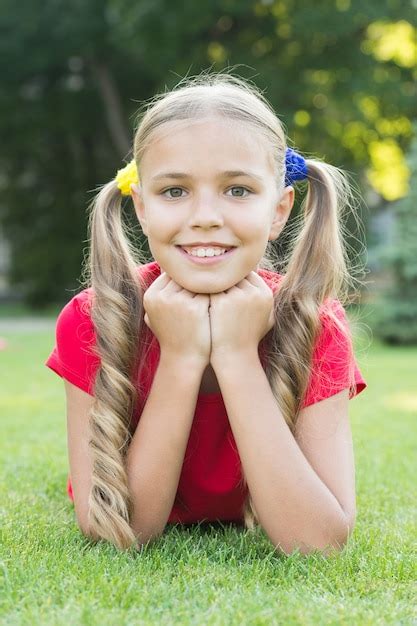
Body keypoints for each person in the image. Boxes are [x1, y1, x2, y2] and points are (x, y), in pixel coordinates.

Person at [45, 71, 367, 556]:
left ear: (278, 210)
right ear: (142, 207)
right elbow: (118, 533)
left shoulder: (316, 323)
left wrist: (237, 354)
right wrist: (179, 356)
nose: (205, 216)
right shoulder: (94, 319)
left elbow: (317, 543)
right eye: (175, 191)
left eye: (237, 190)